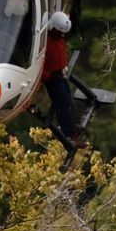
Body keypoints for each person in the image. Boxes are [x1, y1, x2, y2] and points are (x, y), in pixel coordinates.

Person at [42, 11, 79, 142]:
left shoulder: (58, 37)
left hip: (60, 73)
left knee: (68, 101)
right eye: (60, 32)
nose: (62, 35)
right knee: (63, 105)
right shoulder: (46, 42)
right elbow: (38, 62)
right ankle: (68, 135)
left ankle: (72, 128)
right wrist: (47, 76)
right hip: (52, 77)